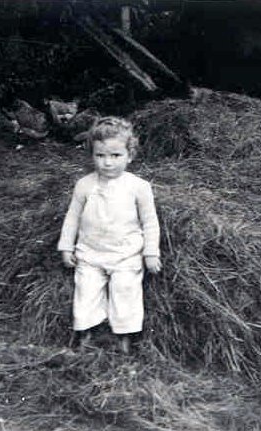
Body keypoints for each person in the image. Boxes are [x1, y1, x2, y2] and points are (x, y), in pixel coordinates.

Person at [57, 116, 161, 354]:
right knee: (86, 290)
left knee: (125, 291)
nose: (107, 163)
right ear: (92, 155)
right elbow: (72, 217)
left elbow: (150, 222)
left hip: (126, 254)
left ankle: (124, 337)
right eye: (100, 155)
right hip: (90, 253)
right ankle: (86, 334)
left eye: (115, 156)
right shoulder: (84, 185)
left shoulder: (139, 187)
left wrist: (151, 252)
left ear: (130, 155)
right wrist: (66, 247)